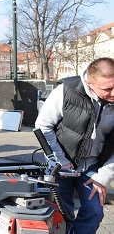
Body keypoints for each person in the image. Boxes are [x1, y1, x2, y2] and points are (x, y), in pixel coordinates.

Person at [35, 57, 114, 234]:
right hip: (60, 164)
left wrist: (105, 177)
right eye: (107, 89)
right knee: (60, 213)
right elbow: (42, 126)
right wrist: (60, 159)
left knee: (94, 211)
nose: (113, 93)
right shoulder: (66, 90)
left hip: (93, 166)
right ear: (90, 83)